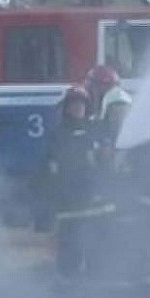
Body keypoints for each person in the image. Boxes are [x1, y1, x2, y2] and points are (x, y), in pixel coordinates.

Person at [40, 85, 99, 276]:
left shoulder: (93, 131)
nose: (77, 108)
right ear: (66, 108)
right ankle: (66, 276)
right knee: (68, 236)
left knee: (91, 236)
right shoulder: (58, 134)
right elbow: (50, 165)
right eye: (73, 104)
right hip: (66, 197)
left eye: (81, 104)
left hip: (90, 195)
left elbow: (101, 163)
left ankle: (89, 274)